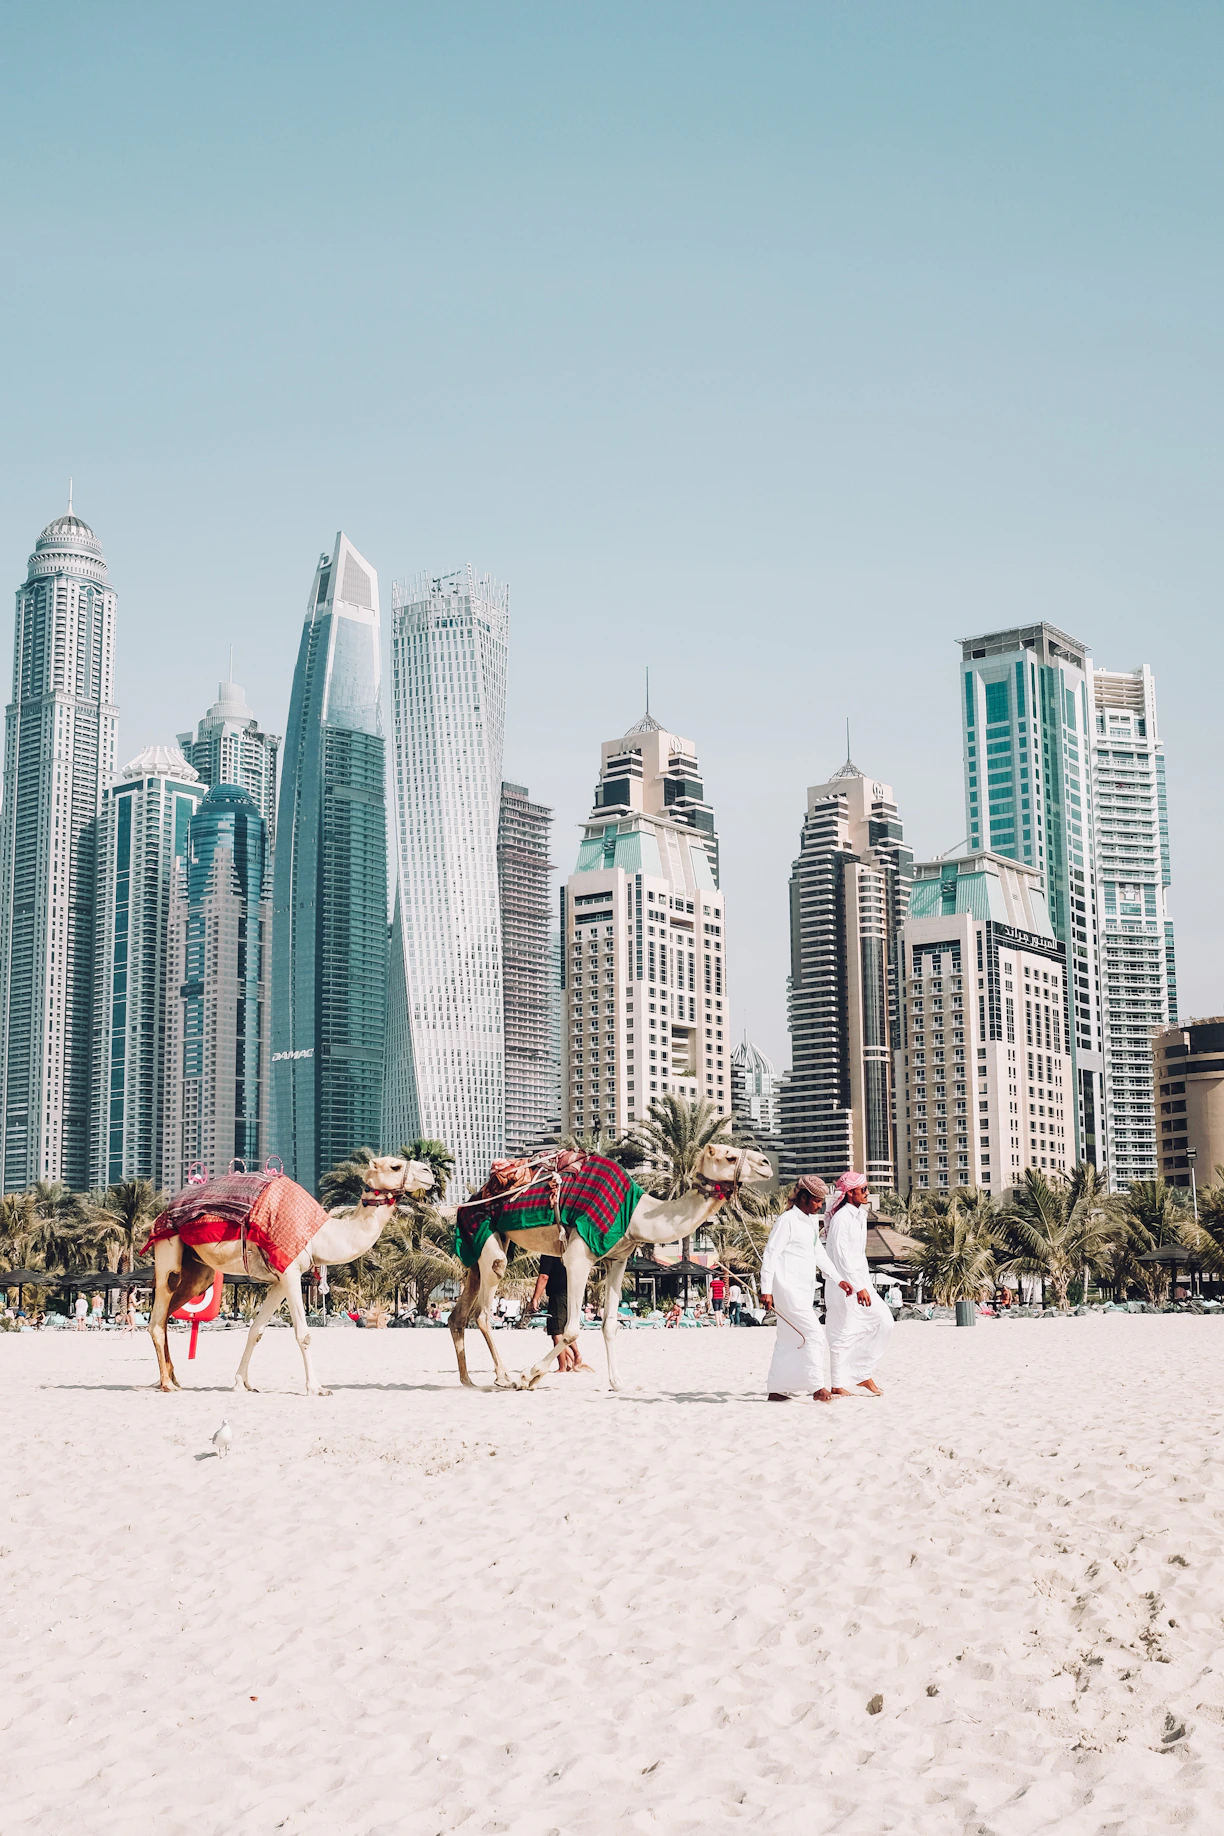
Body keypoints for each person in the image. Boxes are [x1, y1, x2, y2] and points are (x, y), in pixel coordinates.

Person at [759, 1175, 849, 1403]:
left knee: (787, 1338)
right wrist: (766, 1289)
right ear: (803, 1197)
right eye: (817, 1201)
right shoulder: (787, 1220)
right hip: (787, 1289)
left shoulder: (809, 1223)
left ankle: (777, 1389)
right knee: (814, 1334)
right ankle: (817, 1387)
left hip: (804, 1289)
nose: (820, 1206)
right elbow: (771, 1254)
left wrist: (839, 1279)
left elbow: (819, 1254)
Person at [823, 1172, 894, 1398]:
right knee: (842, 1332)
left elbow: (857, 1256)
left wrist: (864, 1284)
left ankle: (862, 1373)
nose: (867, 1193)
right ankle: (837, 1384)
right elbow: (841, 1257)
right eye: (863, 1189)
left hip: (862, 1281)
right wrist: (857, 1286)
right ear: (850, 1192)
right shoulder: (842, 1218)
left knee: (885, 1322)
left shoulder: (859, 1216)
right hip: (844, 1284)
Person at [525, 1254, 591, 1374]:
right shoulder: (566, 1251)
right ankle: (573, 1358)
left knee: (556, 1332)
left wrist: (535, 1298)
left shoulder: (548, 1253)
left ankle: (563, 1366)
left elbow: (544, 1277)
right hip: (571, 1292)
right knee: (565, 1329)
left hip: (558, 1294)